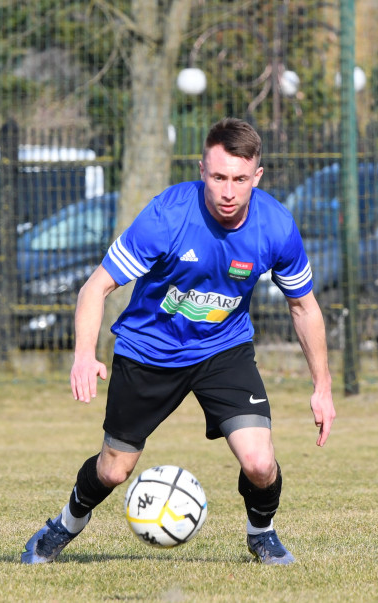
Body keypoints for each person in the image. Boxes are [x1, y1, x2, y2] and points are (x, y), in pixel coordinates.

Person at [20, 118, 335, 566]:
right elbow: (95, 288)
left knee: (260, 463)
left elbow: (304, 307)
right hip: (148, 350)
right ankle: (64, 525)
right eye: (219, 177)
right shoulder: (168, 216)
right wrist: (83, 356)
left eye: (240, 179)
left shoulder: (276, 226)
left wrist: (322, 386)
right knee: (114, 469)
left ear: (257, 176)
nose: (228, 191)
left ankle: (261, 533)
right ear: (202, 169)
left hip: (222, 349)